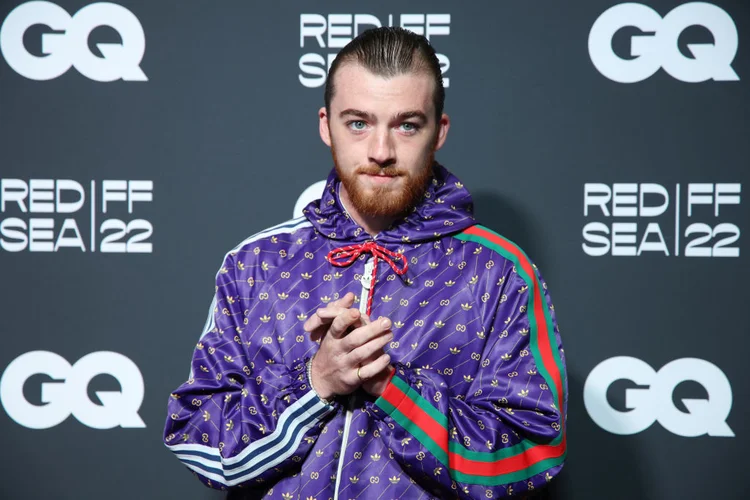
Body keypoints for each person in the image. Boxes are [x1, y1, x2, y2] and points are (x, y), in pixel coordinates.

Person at [163, 26, 567, 500]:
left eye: (406, 125)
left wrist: (392, 386)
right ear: (325, 124)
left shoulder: (499, 272)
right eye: (358, 123)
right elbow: (198, 441)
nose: (380, 151)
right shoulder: (256, 263)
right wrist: (315, 382)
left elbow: (533, 453)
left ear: (439, 132)